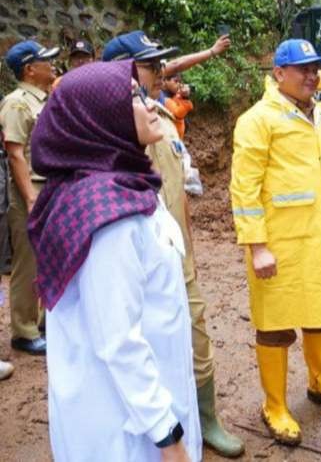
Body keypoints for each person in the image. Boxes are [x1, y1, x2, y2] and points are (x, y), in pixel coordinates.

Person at [26, 60, 200, 461]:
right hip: (125, 430)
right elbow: (119, 341)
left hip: (140, 404)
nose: (151, 105)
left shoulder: (125, 183)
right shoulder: (109, 218)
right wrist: (168, 437)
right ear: (101, 119)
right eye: (134, 98)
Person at [102, 30, 245, 457]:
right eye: (150, 65)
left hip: (174, 252)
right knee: (144, 348)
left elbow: (177, 187)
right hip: (138, 261)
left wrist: (190, 249)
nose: (161, 70)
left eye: (159, 62)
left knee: (196, 337)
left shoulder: (159, 117)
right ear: (123, 73)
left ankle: (206, 418)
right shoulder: (112, 128)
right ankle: (156, 432)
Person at [230, 39, 321, 446]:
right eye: (303, 69)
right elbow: (244, 189)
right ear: (279, 73)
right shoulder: (257, 120)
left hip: (316, 240)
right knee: (276, 327)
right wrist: (257, 247)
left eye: (315, 68)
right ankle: (274, 406)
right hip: (278, 246)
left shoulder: (319, 116)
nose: (312, 75)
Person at [0, 40, 58, 356]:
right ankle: (23, 330)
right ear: (29, 69)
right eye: (45, 61)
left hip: (48, 190)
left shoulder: (43, 100)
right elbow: (15, 154)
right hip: (30, 193)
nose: (53, 65)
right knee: (28, 262)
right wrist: (31, 199)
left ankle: (42, 319)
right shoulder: (16, 103)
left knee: (48, 257)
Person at [163, 74, 194, 139]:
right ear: (165, 80)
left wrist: (185, 97)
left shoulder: (176, 95)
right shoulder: (163, 97)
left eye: (180, 82)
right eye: (176, 81)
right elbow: (177, 113)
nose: (178, 84)